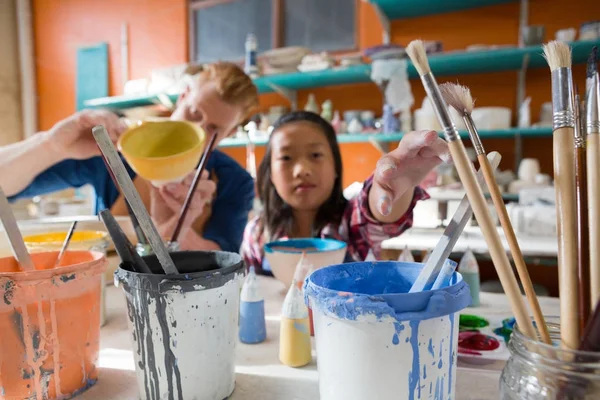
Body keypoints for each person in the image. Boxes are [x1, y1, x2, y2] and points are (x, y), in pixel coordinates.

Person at [1, 62, 259, 253]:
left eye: (214, 128)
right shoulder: (116, 149)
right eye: (193, 112)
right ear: (182, 98)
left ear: (231, 133)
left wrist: (176, 230)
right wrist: (50, 145)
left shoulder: (235, 180)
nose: (199, 129)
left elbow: (222, 258)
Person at [241, 111, 449, 274]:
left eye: (315, 154)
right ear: (270, 174)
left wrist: (396, 185)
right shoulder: (258, 233)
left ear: (335, 169)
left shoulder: (351, 223)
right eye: (286, 158)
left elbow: (376, 212)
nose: (302, 169)